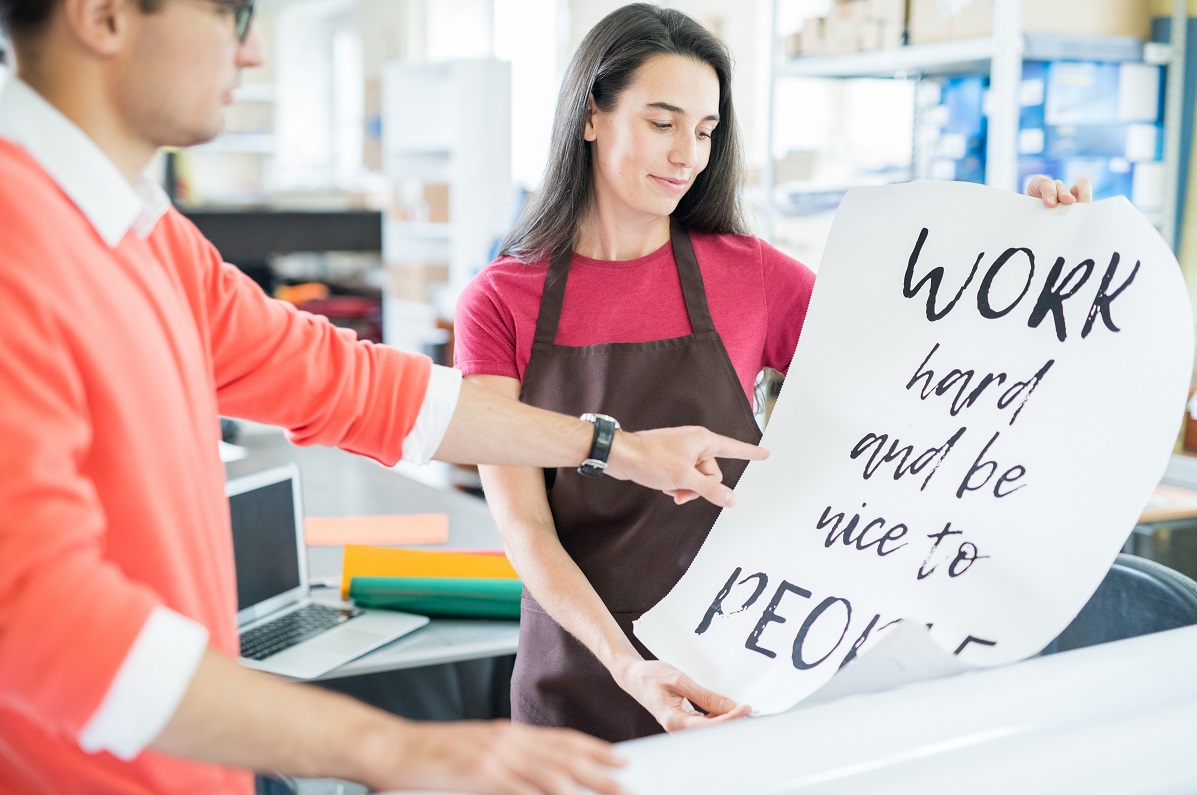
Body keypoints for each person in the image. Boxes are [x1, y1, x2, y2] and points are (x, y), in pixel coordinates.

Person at [0, 1, 773, 793]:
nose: (255, 52)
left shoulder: (147, 238)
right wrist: (399, 749)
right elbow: (34, 614)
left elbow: (361, 388)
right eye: (230, 14)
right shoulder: (17, 238)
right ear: (102, 17)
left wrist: (613, 446)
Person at [454, 2, 1092, 744]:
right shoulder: (501, 299)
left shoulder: (750, 276)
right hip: (579, 664)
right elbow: (525, 526)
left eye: (704, 130)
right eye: (661, 123)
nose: (686, 154)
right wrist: (627, 664)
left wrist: (1040, 254)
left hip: (734, 662)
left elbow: (924, 375)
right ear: (591, 115)